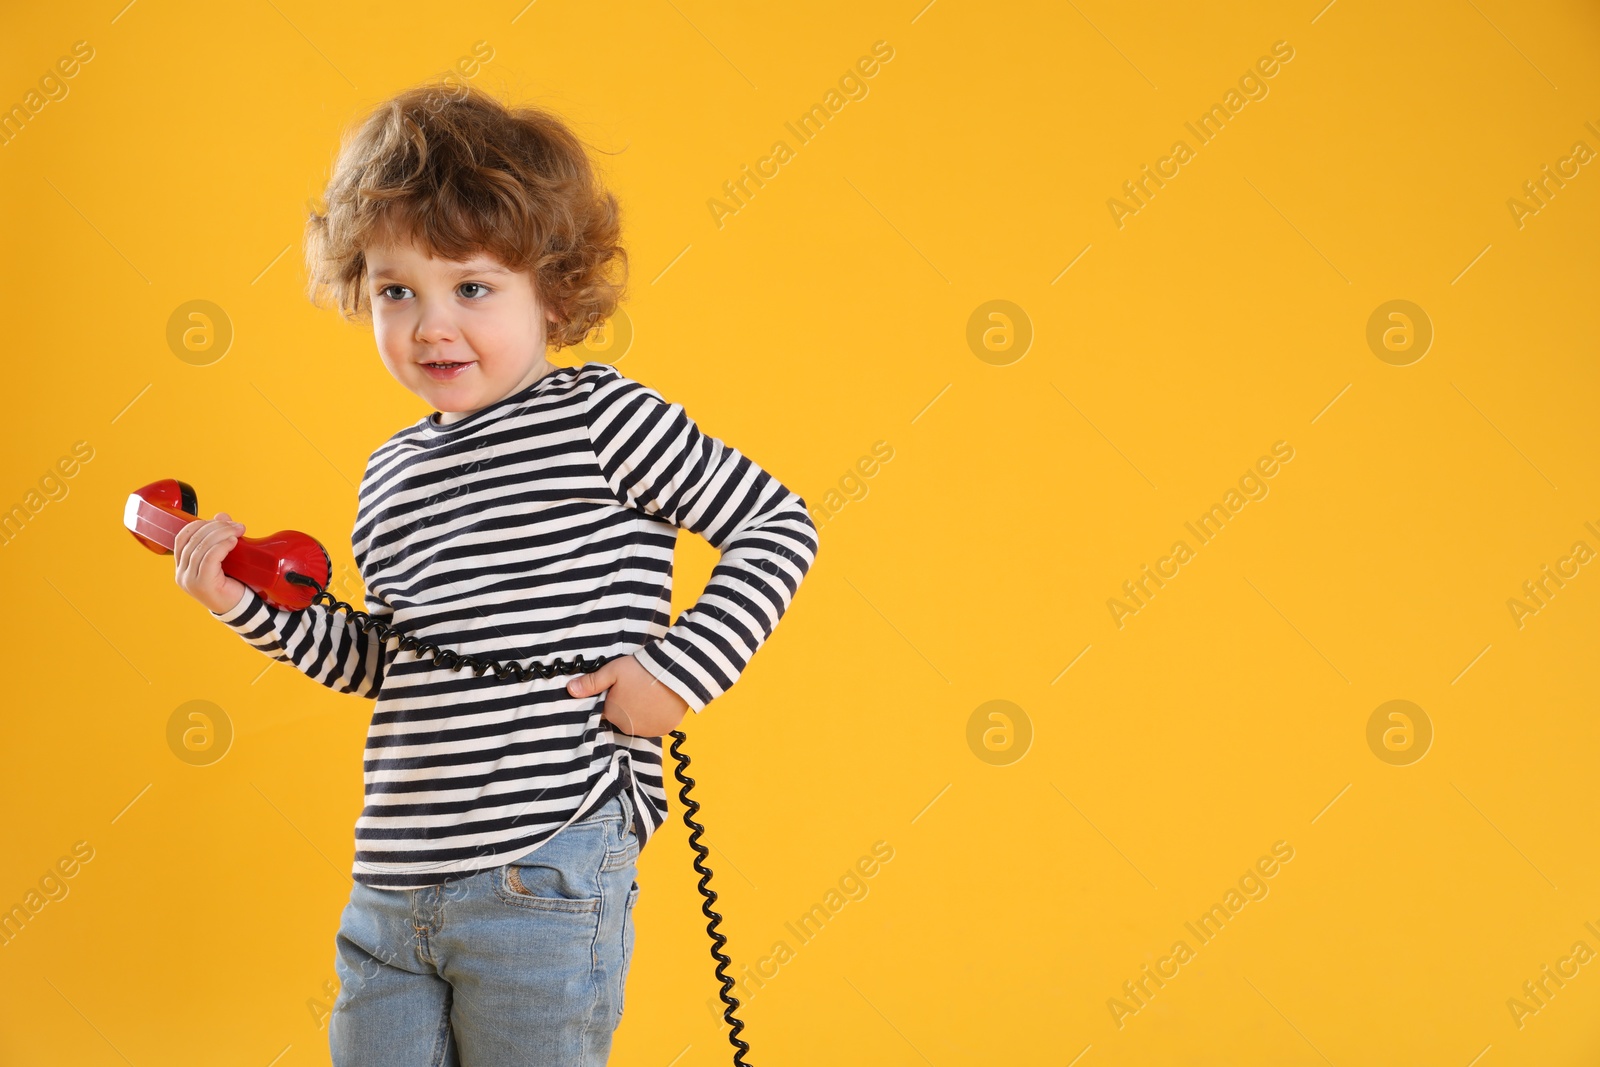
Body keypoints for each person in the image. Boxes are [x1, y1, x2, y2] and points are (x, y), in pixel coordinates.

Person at [170, 80, 818, 1065]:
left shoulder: (602, 419)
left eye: (471, 287)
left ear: (551, 290)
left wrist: (681, 671)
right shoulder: (390, 471)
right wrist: (239, 601)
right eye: (398, 290)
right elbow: (380, 659)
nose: (432, 326)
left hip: (543, 860)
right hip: (391, 884)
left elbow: (777, 522)